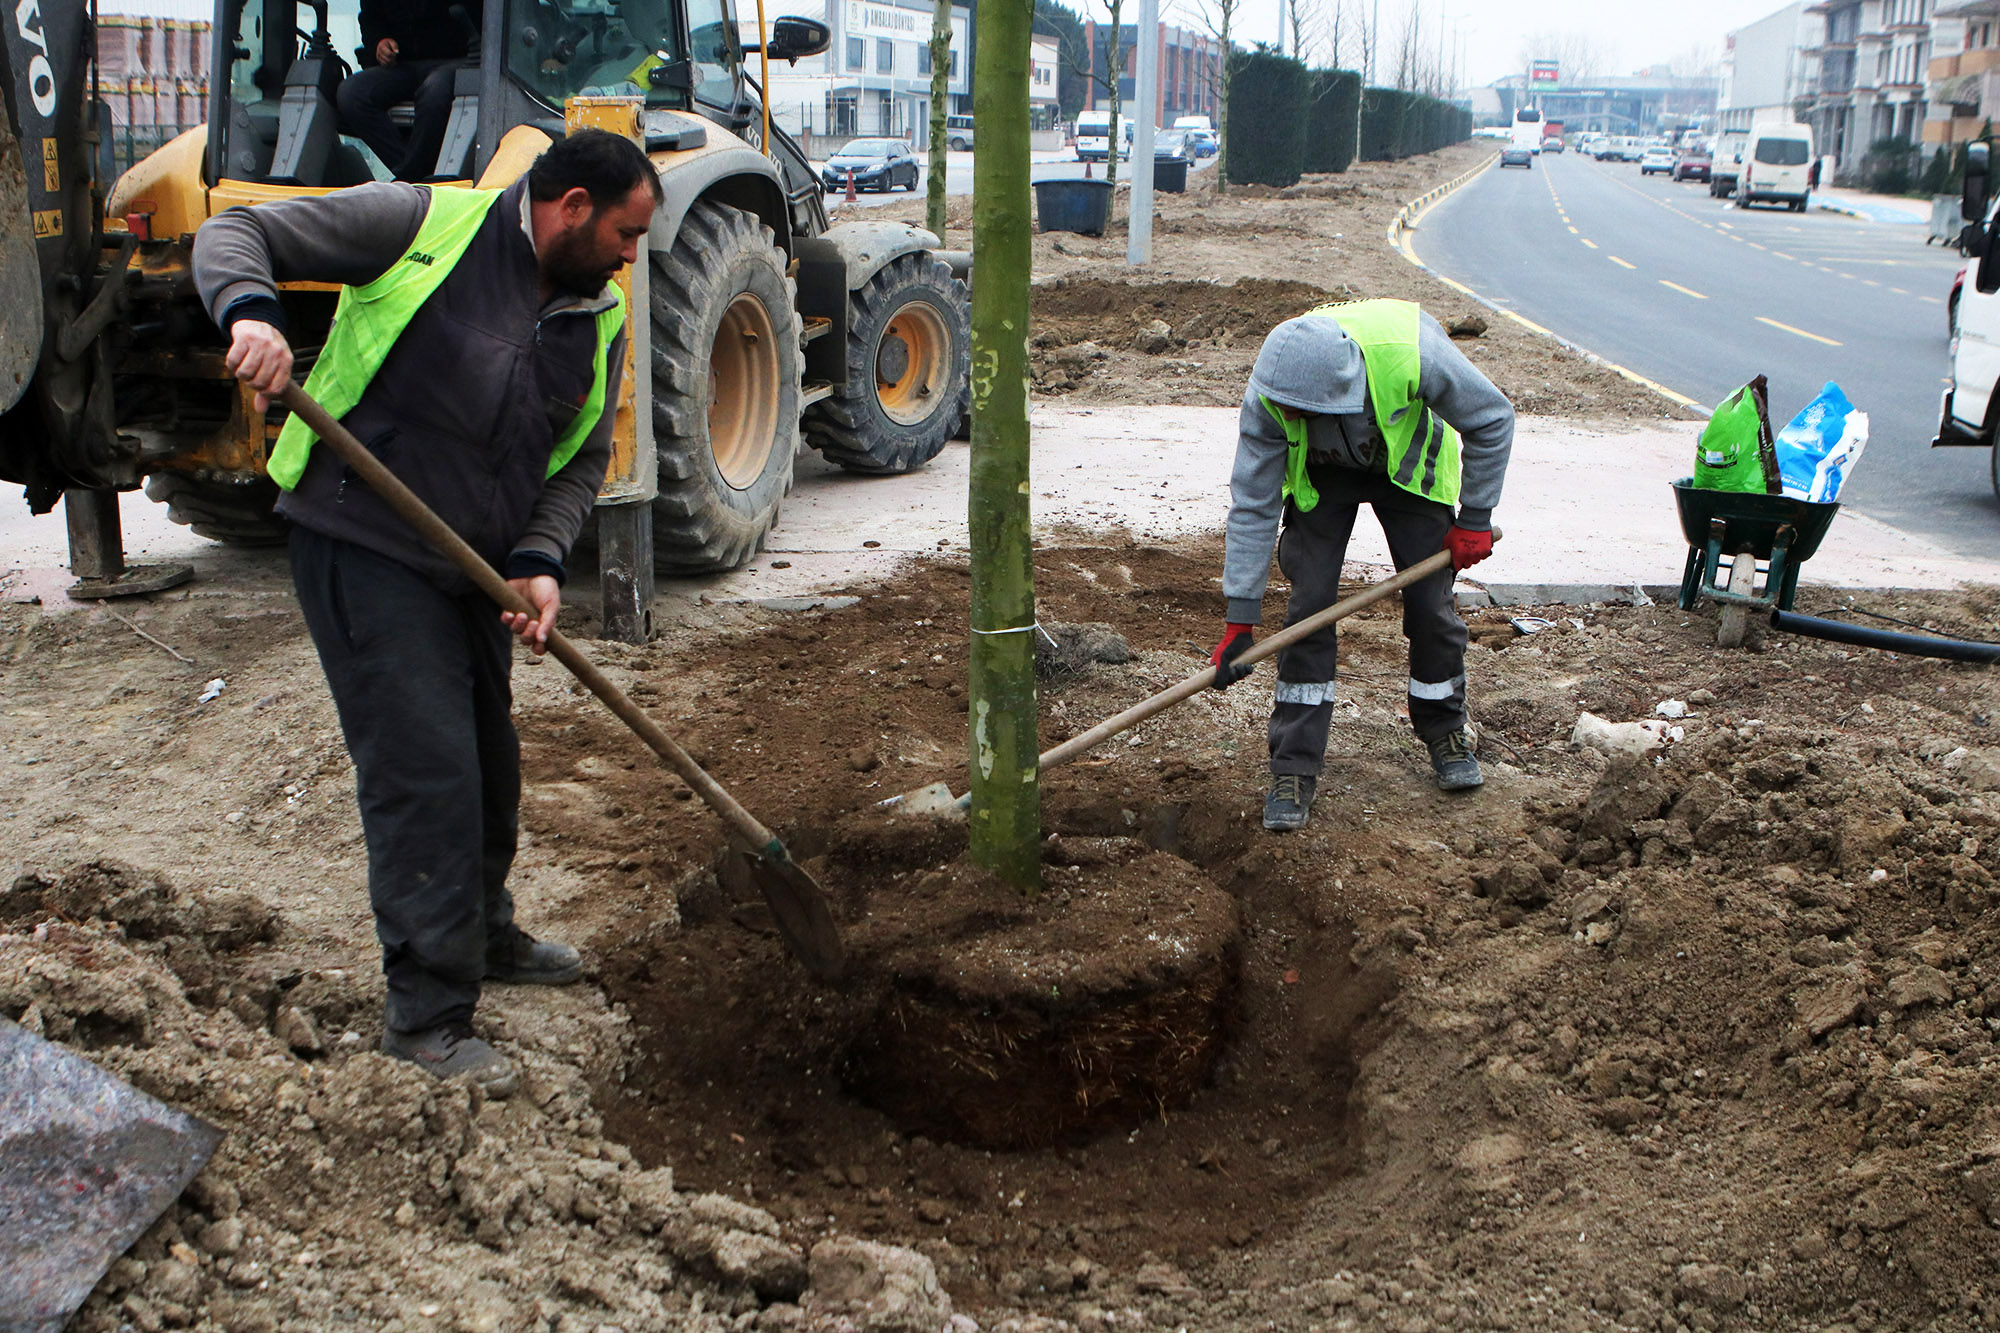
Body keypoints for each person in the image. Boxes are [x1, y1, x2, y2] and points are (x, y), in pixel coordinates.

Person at [193, 130, 661, 1094]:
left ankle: (482, 933)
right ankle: (427, 1019)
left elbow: (576, 461)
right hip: (364, 540)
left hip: (474, 568)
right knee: (426, 773)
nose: (630, 255)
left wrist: (536, 563)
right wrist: (252, 316)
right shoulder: (421, 224)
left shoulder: (598, 313)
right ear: (569, 206)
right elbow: (235, 233)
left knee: (489, 765)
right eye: (624, 232)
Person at [1208, 299, 1515, 832]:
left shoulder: (1413, 353)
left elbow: (1492, 418)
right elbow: (1253, 502)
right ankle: (1293, 766)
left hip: (1406, 463)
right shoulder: (1271, 392)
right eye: (1292, 413)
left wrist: (1476, 517)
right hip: (1324, 475)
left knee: (1431, 608)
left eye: (1309, 413)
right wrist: (1241, 617)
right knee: (1309, 609)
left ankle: (1444, 730)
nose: (1295, 419)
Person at [337, 0, 483, 181]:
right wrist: (379, 42)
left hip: (462, 59)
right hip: (403, 63)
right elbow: (371, 18)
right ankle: (414, 175)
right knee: (352, 93)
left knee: (434, 92)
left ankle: (409, 179)